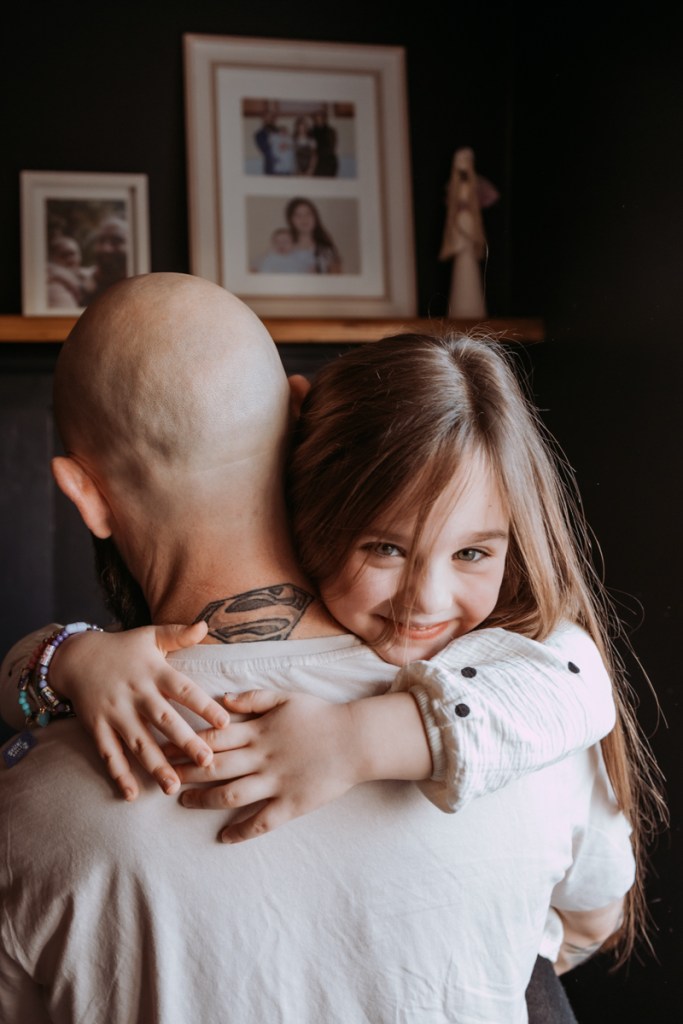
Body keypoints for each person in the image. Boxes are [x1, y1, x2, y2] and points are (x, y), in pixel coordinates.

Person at [0, 274, 660, 1020]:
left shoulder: (27, 811)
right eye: (388, 549)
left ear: (82, 491)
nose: (426, 601)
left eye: (471, 553)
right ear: (296, 412)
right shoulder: (527, 726)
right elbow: (586, 924)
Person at [78, 214, 129, 306]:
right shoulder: (79, 281)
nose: (106, 249)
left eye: (116, 241)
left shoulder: (142, 286)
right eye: (101, 240)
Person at [285, 196, 342, 273]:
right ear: (291, 220)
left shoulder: (326, 251)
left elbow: (338, 279)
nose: (304, 219)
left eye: (308, 214)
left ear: (315, 217)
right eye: (298, 215)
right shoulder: (283, 249)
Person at [311, 106, 338, 176]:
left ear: (324, 118)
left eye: (320, 117)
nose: (318, 120)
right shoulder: (311, 132)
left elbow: (332, 147)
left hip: (329, 161)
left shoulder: (331, 131)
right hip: (315, 163)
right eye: (316, 118)